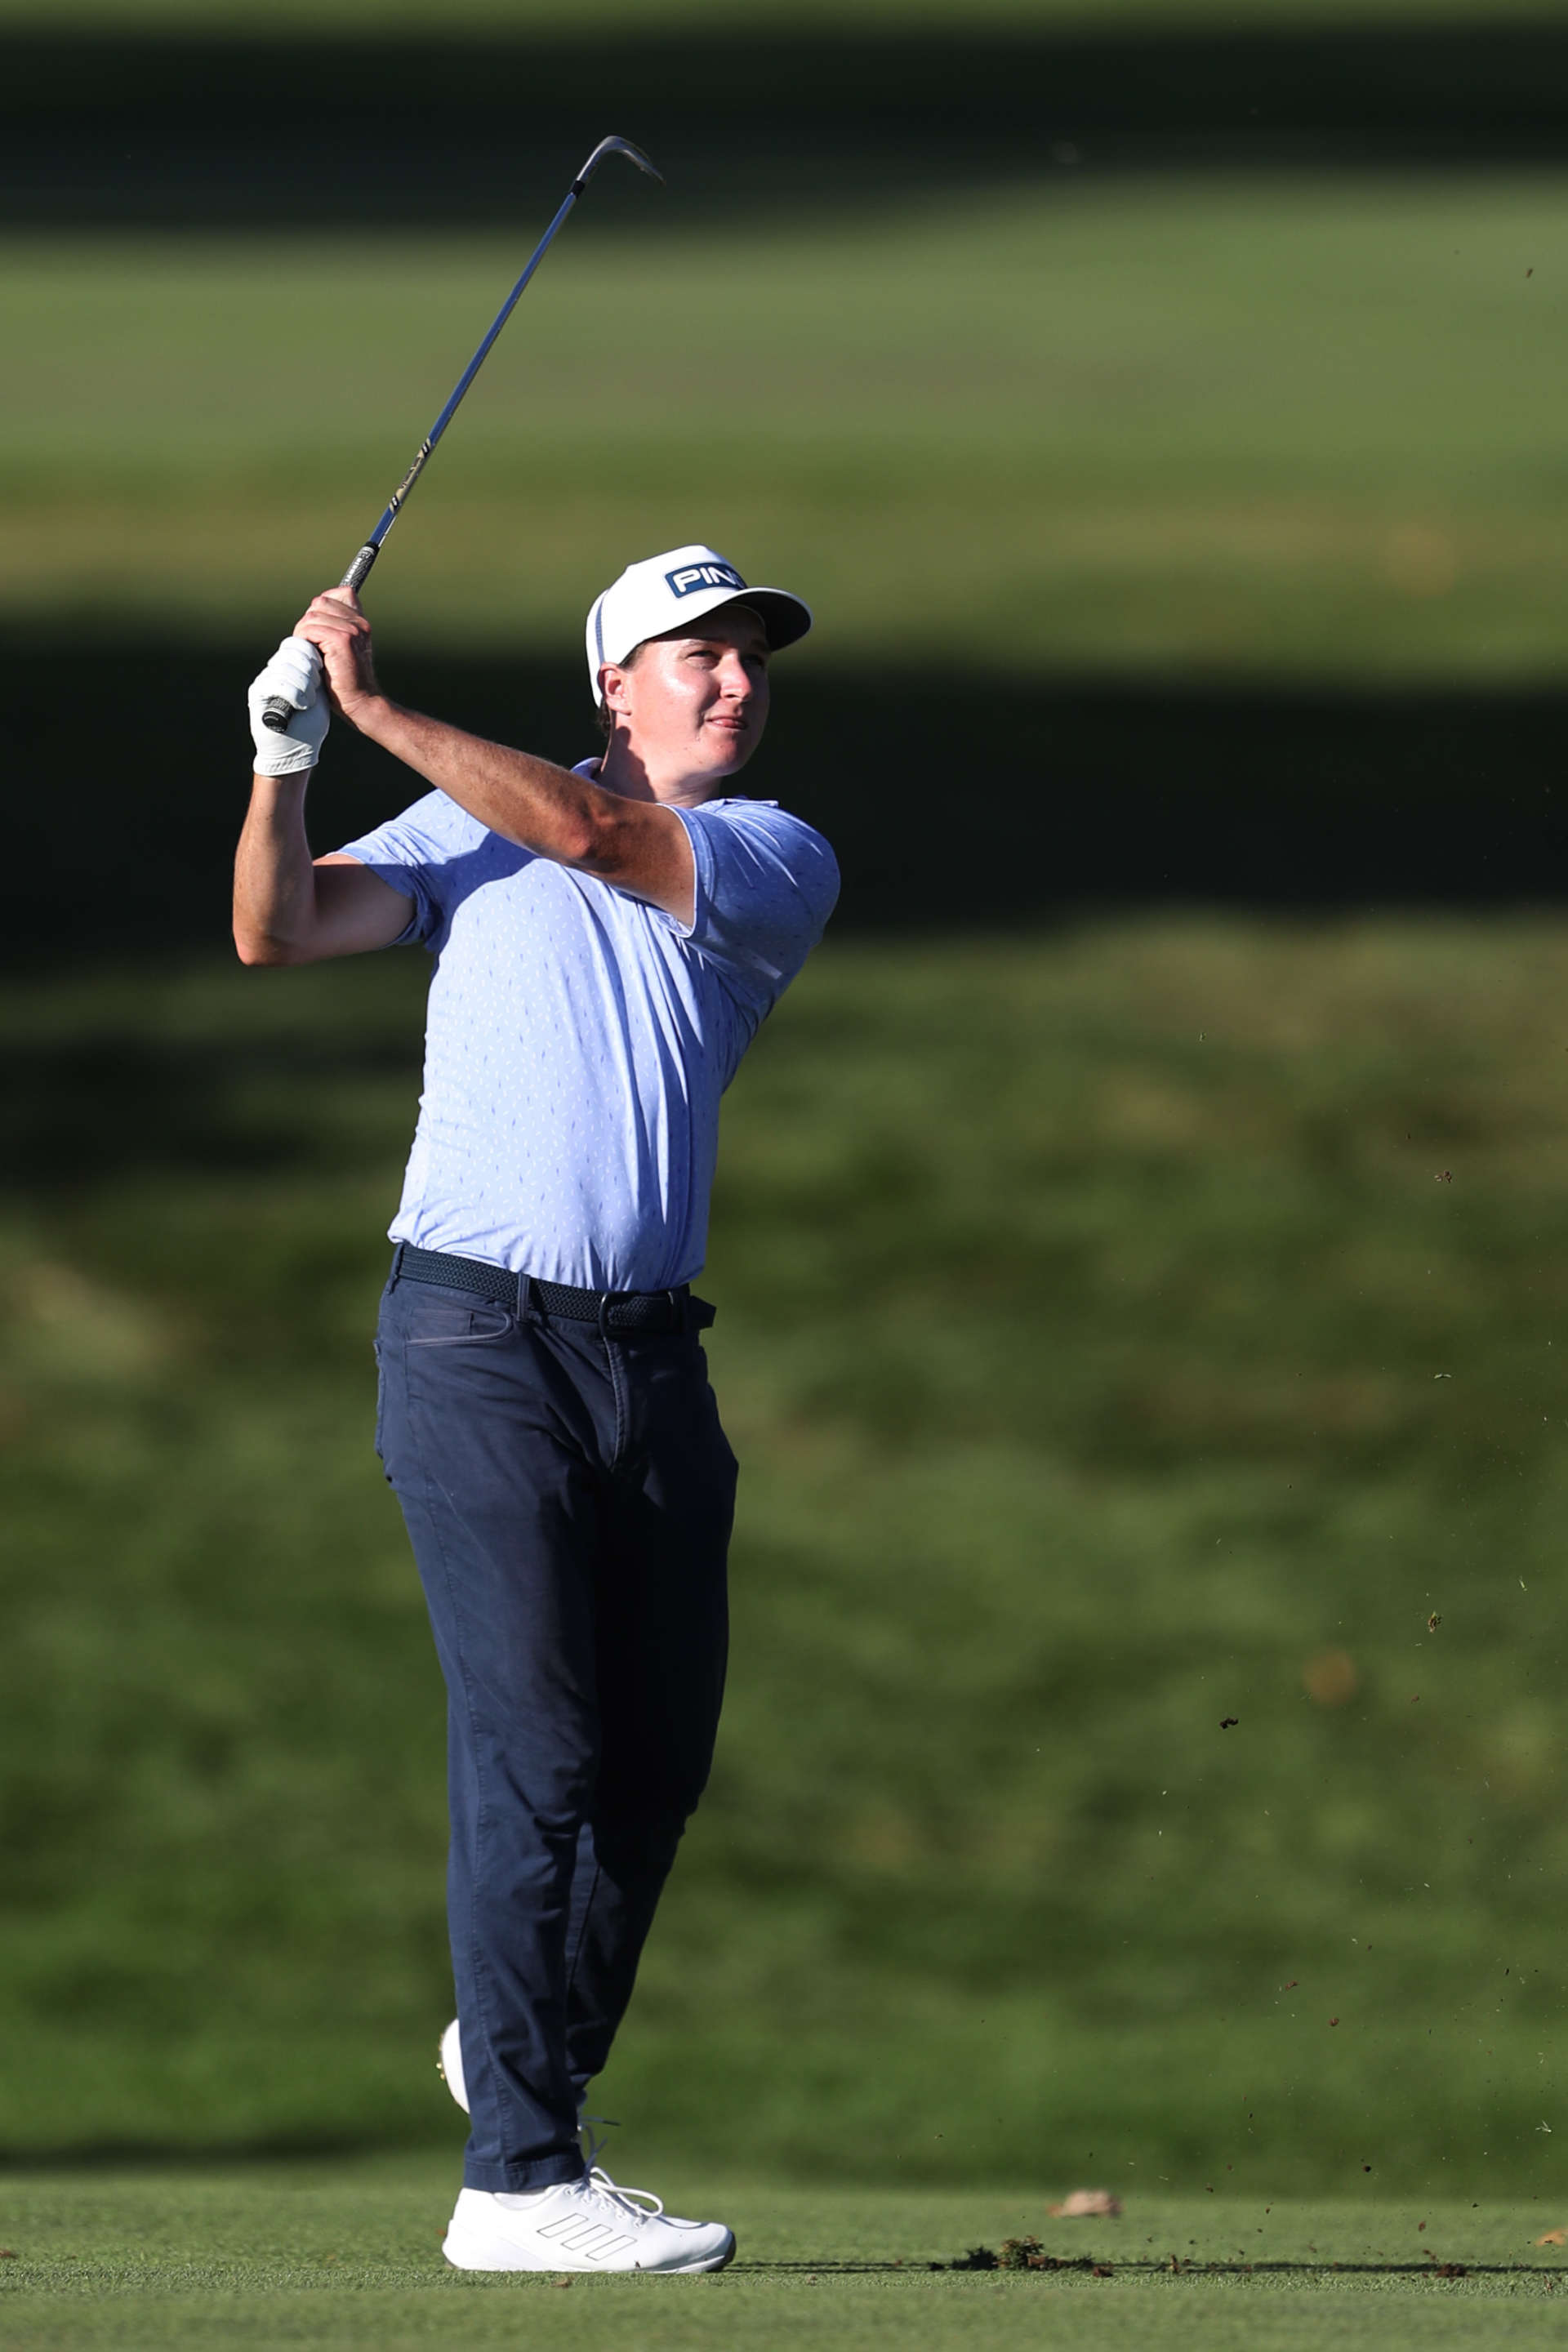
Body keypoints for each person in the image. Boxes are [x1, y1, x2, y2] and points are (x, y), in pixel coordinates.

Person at [233, 545, 838, 2274]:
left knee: (656, 1765)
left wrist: (369, 708)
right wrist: (284, 767)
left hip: (653, 1356)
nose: (730, 684)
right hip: (472, 1343)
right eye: (693, 657)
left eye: (747, 662)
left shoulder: (771, 851)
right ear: (611, 688)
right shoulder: (469, 821)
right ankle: (517, 2182)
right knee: (541, 1746)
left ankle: (517, 2046)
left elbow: (597, 841)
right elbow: (275, 930)